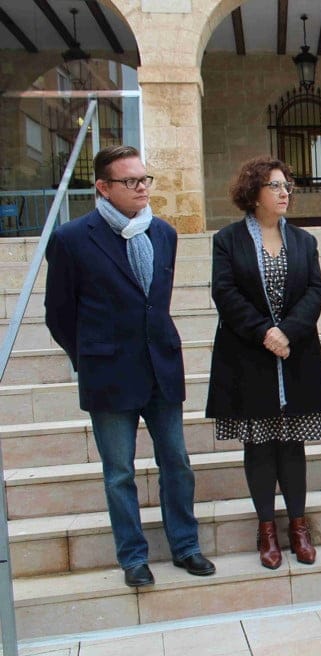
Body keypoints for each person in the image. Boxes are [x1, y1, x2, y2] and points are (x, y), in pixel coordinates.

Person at [44, 145, 215, 587]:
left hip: (161, 366)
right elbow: (58, 314)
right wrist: (88, 356)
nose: (142, 188)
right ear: (103, 188)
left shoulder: (163, 233)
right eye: (130, 181)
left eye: (144, 179)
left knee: (177, 462)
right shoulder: (71, 239)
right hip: (107, 372)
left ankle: (186, 546)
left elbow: (155, 303)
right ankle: (133, 557)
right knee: (119, 472)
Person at [205, 157, 321, 569]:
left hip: (295, 355)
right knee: (259, 446)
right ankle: (266, 530)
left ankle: (298, 526)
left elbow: (315, 290)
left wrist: (287, 332)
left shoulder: (303, 241)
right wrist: (265, 332)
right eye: (275, 186)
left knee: (292, 445)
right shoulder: (228, 240)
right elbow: (225, 293)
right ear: (253, 193)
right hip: (248, 355)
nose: (284, 193)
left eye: (286, 186)